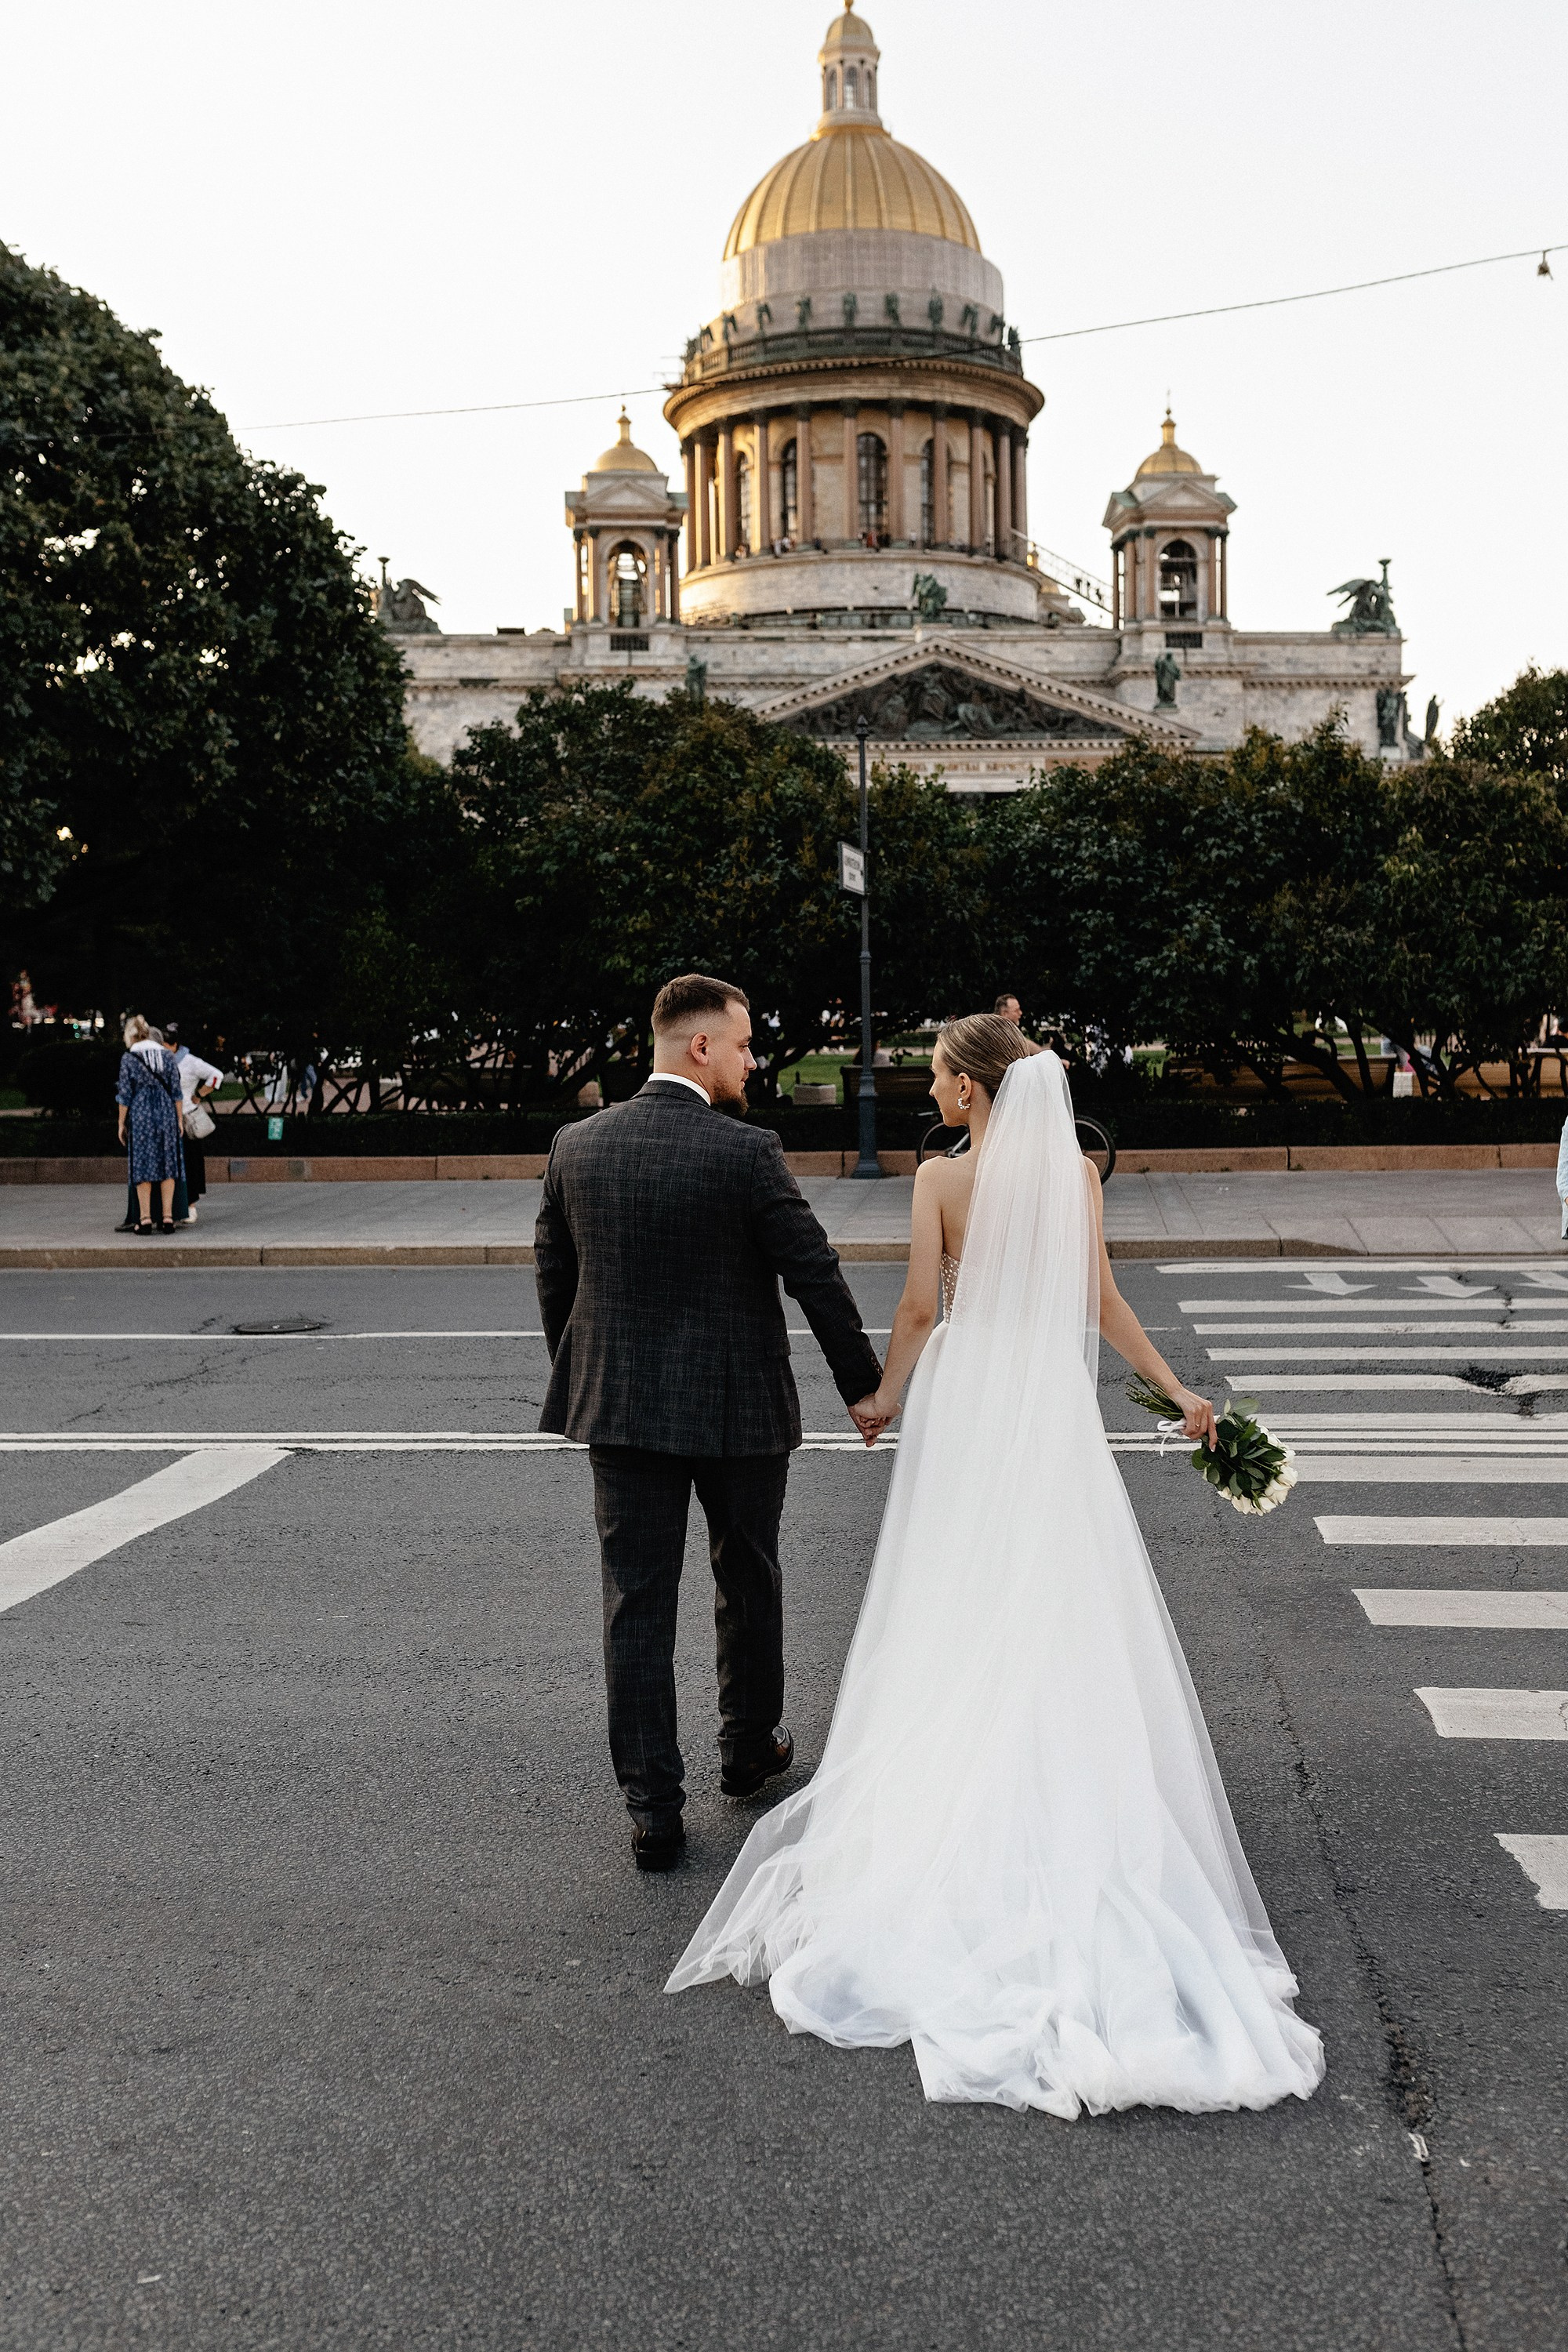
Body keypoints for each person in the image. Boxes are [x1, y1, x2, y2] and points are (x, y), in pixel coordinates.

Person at [669, 1013, 1325, 2119]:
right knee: (1057, 1595)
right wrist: (1182, 1397)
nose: (929, 1090)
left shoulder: (937, 1179)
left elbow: (924, 1307)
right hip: (1049, 1404)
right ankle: (1063, 1780)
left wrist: (882, 1394)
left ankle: (961, 1779)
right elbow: (1102, 1302)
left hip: (972, 1399)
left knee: (954, 1600)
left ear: (973, 1093)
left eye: (936, 1076)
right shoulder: (1073, 1174)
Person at [535, 972, 884, 1876]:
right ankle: (745, 1748)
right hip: (737, 1409)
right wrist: (863, 1388)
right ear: (700, 1047)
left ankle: (652, 1809)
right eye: (742, 1044)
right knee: (749, 1575)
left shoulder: (576, 1146)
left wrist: (586, 1378)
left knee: (635, 1605)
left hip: (621, 1413)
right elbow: (814, 1272)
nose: (750, 1060)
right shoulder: (746, 1151)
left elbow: (555, 1278)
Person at [114, 1016, 184, 1234]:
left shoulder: (129, 1057)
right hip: (166, 1112)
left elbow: (125, 1094)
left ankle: (144, 1220)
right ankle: (168, 1218)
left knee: (143, 1165)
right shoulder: (166, 1054)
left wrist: (121, 1123)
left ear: (131, 1036)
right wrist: (179, 1119)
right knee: (168, 1164)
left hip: (141, 1114)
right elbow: (176, 1090)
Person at [168, 1027, 223, 1223]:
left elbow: (216, 1075)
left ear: (175, 1045)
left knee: (190, 1162)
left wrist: (199, 1094)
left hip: (187, 1116)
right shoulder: (162, 1061)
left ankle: (191, 1205)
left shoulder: (190, 1062)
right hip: (168, 1118)